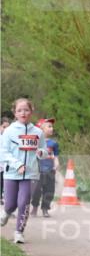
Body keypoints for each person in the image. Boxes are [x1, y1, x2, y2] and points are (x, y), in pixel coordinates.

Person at [1, 99, 47, 244]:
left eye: (26, 110)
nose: (23, 113)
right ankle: (6, 212)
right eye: (20, 110)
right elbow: (3, 152)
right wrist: (17, 165)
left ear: (31, 111)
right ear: (15, 113)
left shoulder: (38, 132)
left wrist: (41, 153)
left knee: (24, 203)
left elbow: (44, 150)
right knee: (10, 204)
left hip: (30, 173)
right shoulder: (8, 131)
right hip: (12, 173)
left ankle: (19, 232)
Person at [30, 119, 59, 217]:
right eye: (49, 126)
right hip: (38, 171)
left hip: (50, 170)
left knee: (49, 191)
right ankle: (34, 208)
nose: (52, 128)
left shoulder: (53, 143)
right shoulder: (35, 142)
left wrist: (56, 164)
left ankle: (45, 209)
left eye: (52, 126)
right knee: (36, 191)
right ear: (41, 129)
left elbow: (55, 156)